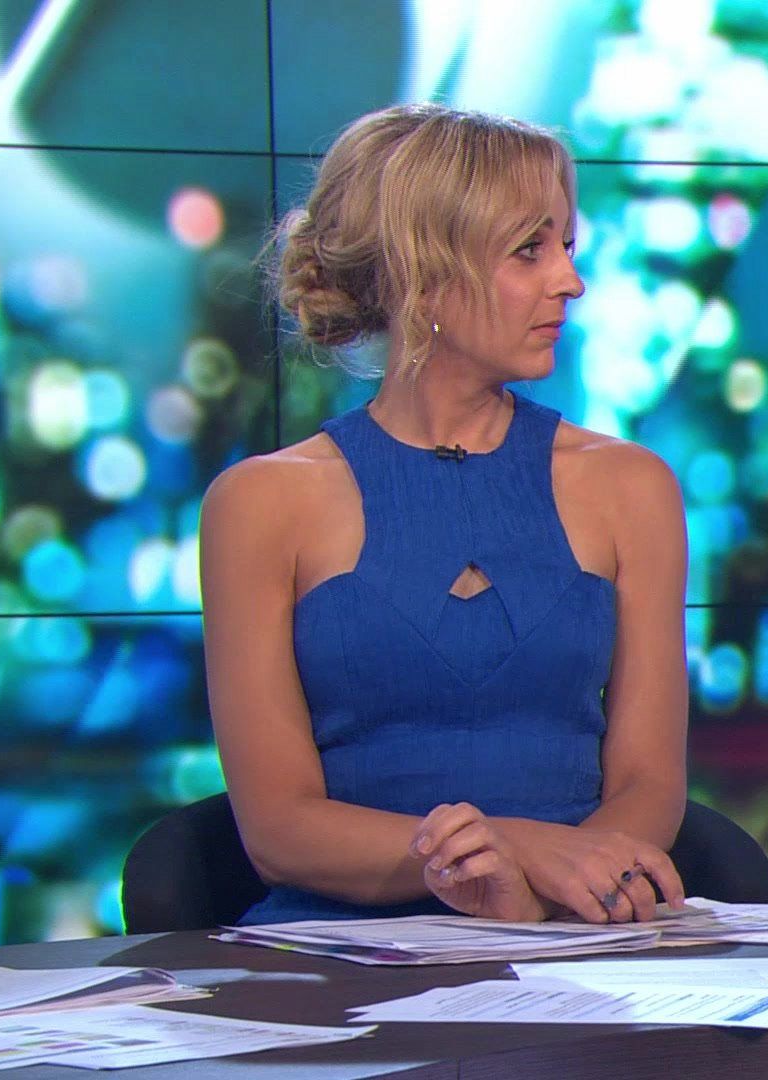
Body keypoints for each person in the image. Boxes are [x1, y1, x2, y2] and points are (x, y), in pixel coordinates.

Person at [200, 103, 690, 924]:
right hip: (342, 955)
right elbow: (279, 828)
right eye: (529, 250)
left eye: (567, 247)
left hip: (574, 935)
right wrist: (511, 851)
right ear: (424, 273)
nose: (569, 282)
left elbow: (649, 786)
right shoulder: (260, 503)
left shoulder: (631, 487)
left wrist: (540, 901)